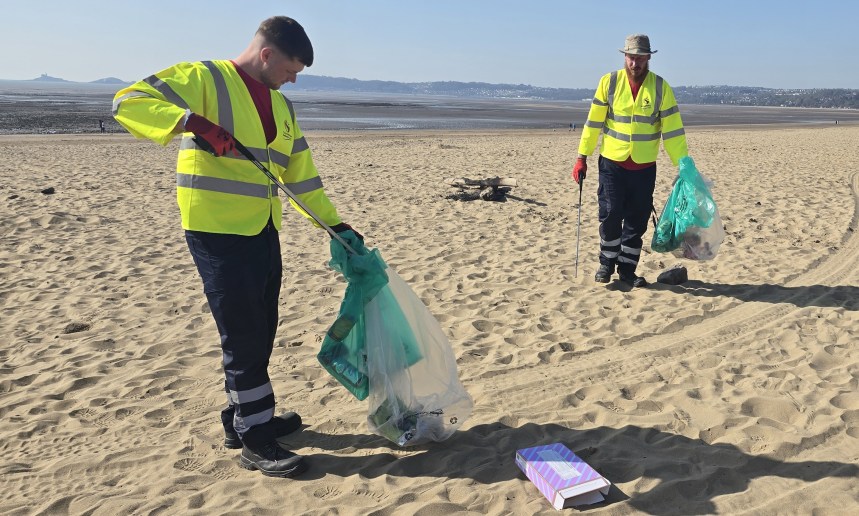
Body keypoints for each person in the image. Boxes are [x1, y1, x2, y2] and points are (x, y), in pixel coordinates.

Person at [112, 16, 362, 478]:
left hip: (263, 229)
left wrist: (336, 225)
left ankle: (239, 419)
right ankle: (256, 440)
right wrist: (190, 121)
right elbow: (127, 102)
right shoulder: (204, 79)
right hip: (216, 232)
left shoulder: (282, 108)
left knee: (262, 327)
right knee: (243, 334)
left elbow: (300, 177)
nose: (293, 80)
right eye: (290, 70)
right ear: (267, 54)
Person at [571, 34, 688, 287]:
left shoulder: (660, 87)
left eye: (640, 58)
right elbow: (593, 123)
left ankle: (627, 271)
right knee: (611, 214)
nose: (635, 63)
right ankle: (606, 262)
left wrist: (683, 163)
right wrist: (582, 157)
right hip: (612, 163)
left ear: (648, 58)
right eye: (631, 57)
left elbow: (673, 130)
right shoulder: (609, 82)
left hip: (644, 167)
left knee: (637, 221)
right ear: (625, 57)